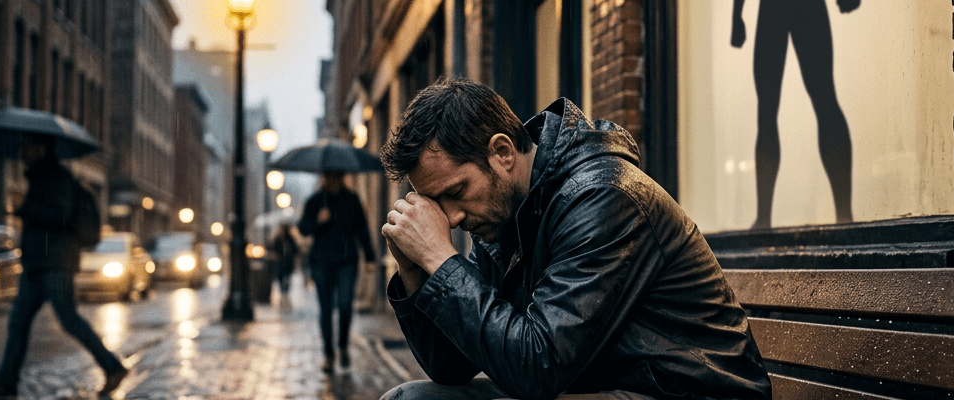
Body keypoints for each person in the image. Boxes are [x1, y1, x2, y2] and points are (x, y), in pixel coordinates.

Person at [378, 78, 772, 400]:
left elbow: (537, 368)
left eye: (457, 191)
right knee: (410, 399)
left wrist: (441, 259)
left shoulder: (602, 197)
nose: (452, 218)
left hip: (684, 392)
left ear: (502, 152)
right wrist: (415, 269)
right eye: (438, 202)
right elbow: (451, 367)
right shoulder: (502, 217)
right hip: (597, 386)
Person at [0, 136, 127, 397]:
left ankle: (112, 367)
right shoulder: (39, 177)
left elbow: (61, 216)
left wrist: (27, 210)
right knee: (18, 322)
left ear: (40, 149)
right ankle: (6, 382)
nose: (22, 151)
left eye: (26, 146)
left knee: (68, 319)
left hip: (55, 262)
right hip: (37, 262)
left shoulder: (58, 178)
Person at [731, 0, 858, 229]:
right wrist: (736, 16)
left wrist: (736, 16)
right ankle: (766, 218)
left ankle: (842, 214)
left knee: (815, 103)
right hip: (787, 8)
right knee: (783, 109)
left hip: (785, 8)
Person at [296, 171, 376, 372]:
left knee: (345, 305)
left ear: (341, 178)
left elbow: (362, 228)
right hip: (321, 262)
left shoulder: (351, 199)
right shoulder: (315, 200)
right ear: (324, 178)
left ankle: (343, 346)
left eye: (336, 176)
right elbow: (303, 228)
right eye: (329, 176)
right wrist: (318, 221)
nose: (332, 180)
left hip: (346, 261)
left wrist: (369, 256)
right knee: (326, 309)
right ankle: (328, 354)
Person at [268, 224, 299, 298]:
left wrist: (289, 250)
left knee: (287, 278)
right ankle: (283, 292)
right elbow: (274, 249)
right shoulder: (278, 239)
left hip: (288, 262)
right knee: (280, 278)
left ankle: (285, 292)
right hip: (280, 262)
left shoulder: (290, 239)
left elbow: (295, 250)